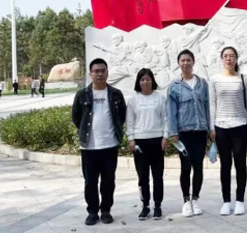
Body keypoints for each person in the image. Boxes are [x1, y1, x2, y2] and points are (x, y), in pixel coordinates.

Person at [72, 58, 127, 226]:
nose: (100, 74)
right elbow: (76, 117)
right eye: (96, 71)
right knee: (90, 182)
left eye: (103, 71)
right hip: (89, 147)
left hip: (110, 145)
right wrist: (85, 132)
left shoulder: (116, 94)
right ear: (91, 74)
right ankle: (92, 212)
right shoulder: (82, 95)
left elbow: (122, 116)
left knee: (108, 181)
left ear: (107, 73)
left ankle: (106, 211)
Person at [209, 46, 247, 216]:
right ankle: (226, 201)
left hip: (240, 125)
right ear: (222, 59)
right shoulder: (214, 80)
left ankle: (240, 200)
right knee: (225, 165)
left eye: (232, 56)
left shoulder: (243, 79)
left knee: (240, 164)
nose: (228, 59)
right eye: (226, 56)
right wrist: (211, 127)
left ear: (236, 59)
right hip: (221, 127)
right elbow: (212, 104)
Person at [167, 49, 211, 218]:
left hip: (200, 132)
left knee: (198, 167)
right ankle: (186, 201)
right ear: (179, 63)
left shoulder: (202, 84)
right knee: (186, 167)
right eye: (182, 60)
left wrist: (210, 129)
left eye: (188, 60)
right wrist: (173, 132)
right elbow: (171, 111)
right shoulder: (174, 86)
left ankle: (195, 200)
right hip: (183, 133)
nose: (185, 63)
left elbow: (207, 106)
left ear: (193, 62)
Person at [126, 68, 168, 221]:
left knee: (158, 176)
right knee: (143, 177)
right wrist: (131, 138)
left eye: (148, 79)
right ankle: (145, 206)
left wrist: (165, 136)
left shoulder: (160, 98)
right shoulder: (133, 100)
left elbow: (165, 119)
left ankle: (157, 205)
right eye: (142, 79)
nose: (145, 82)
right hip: (140, 142)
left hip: (157, 140)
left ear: (152, 81)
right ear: (138, 82)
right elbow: (129, 121)